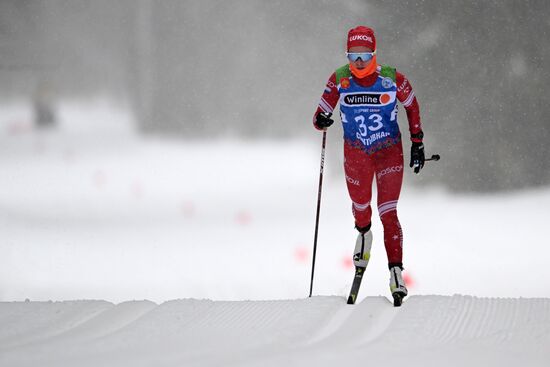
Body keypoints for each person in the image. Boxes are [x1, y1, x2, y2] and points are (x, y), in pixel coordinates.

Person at [313, 26, 425, 304]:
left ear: (375, 54)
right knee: (361, 207)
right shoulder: (340, 79)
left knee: (388, 211)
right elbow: (319, 116)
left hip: (389, 152)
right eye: (353, 56)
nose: (359, 62)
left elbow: (412, 105)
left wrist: (418, 142)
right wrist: (322, 120)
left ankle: (396, 271)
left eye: (365, 55)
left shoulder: (391, 79)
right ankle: (363, 233)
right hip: (356, 156)